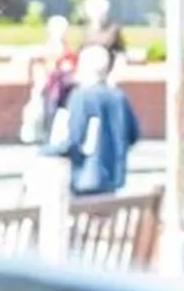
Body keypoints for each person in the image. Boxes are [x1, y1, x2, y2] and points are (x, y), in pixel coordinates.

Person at [48, 43, 141, 199]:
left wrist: (46, 151)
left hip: (85, 179)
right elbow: (133, 135)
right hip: (113, 178)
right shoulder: (119, 97)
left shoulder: (81, 96)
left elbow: (73, 140)